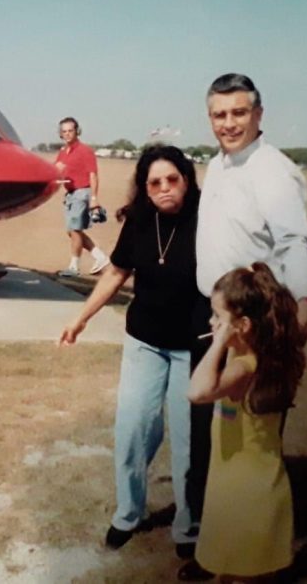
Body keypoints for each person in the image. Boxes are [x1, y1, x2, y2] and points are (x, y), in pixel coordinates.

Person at [186, 73, 307, 556]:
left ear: (259, 114)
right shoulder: (218, 165)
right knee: (211, 440)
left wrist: (304, 304)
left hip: (252, 327)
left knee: (252, 450)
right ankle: (209, 540)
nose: (228, 123)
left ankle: (253, 554)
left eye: (239, 113)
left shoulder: (274, 171)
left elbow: (295, 243)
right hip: (214, 317)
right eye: (219, 115)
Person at [59, 145, 200, 558]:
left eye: (172, 179)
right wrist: (81, 318)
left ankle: (188, 526)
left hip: (192, 348)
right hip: (144, 343)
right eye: (154, 183)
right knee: (133, 429)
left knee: (189, 441)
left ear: (186, 180)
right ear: (145, 188)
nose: (164, 188)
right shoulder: (140, 220)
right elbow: (117, 272)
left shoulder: (208, 219)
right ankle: (128, 513)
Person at [181, 263, 306, 582]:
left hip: (247, 496)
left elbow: (197, 392)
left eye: (217, 317)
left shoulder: (244, 367)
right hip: (242, 486)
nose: (211, 323)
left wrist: (217, 342)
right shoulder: (268, 352)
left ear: (244, 325)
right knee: (234, 570)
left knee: (243, 574)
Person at [54, 117, 110, 277]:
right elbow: (57, 169)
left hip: (82, 192)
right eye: (64, 131)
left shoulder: (85, 151)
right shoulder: (63, 152)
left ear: (77, 131)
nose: (67, 134)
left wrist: (94, 198)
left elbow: (93, 175)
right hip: (70, 195)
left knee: (75, 230)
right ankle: (100, 257)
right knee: (71, 231)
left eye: (70, 131)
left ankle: (74, 267)